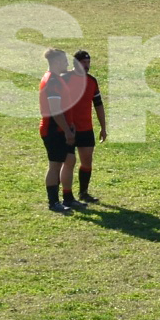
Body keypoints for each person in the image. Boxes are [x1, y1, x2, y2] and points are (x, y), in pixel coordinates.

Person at [63, 49, 107, 204]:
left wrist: (103, 127)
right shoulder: (65, 79)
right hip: (67, 129)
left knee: (86, 161)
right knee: (68, 162)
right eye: (84, 63)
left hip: (86, 128)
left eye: (89, 63)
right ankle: (66, 195)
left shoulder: (91, 81)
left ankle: (83, 192)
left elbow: (98, 105)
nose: (87, 66)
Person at [38, 48, 79, 212]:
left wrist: (70, 125)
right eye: (64, 61)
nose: (67, 63)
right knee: (55, 165)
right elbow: (55, 111)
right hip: (54, 130)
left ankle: (68, 198)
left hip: (62, 128)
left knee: (69, 160)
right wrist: (67, 131)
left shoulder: (56, 79)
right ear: (56, 62)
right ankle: (53, 202)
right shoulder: (52, 81)